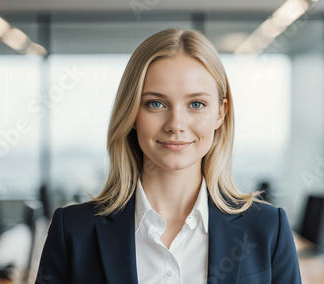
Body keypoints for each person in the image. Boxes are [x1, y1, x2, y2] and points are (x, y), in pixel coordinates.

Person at [36, 27, 301, 284]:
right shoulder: (73, 231)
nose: (176, 124)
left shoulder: (268, 228)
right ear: (132, 114)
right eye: (156, 103)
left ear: (220, 113)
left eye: (196, 104)